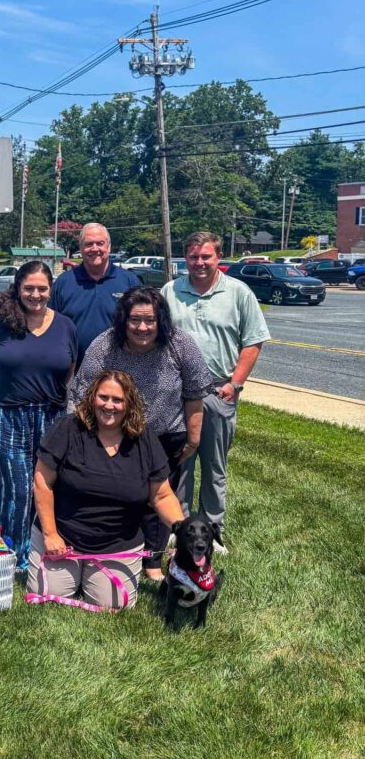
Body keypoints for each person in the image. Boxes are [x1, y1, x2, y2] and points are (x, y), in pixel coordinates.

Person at [67, 286, 212, 580]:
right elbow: (81, 393)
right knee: (122, 496)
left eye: (150, 320)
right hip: (116, 435)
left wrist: (193, 439)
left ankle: (153, 563)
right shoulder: (105, 345)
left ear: (161, 321)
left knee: (158, 498)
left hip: (165, 434)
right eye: (135, 320)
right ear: (123, 320)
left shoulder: (179, 344)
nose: (142, 328)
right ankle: (116, 551)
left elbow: (195, 393)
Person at [28, 370, 184, 608]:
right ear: (92, 398)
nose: (109, 405)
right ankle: (72, 570)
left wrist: (182, 533)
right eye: (103, 397)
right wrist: (50, 534)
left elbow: (162, 495)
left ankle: (91, 574)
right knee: (50, 597)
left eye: (118, 400)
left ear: (129, 404)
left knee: (113, 604)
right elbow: (42, 481)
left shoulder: (144, 440)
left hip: (117, 544)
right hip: (62, 537)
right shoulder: (68, 428)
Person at [162, 231, 270, 547]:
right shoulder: (171, 291)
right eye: (194, 257)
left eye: (206, 256)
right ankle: (177, 525)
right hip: (178, 392)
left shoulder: (239, 293)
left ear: (218, 258)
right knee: (180, 461)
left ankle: (212, 528)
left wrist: (235, 384)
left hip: (217, 390)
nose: (199, 262)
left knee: (214, 465)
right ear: (186, 258)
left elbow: (253, 340)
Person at [0, 261, 77, 567]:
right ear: (18, 288)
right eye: (29, 288)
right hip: (7, 416)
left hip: (51, 417)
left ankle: (41, 547)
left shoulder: (65, 326)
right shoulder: (0, 323)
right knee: (15, 488)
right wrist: (12, 395)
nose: (35, 294)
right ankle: (9, 555)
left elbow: (69, 371)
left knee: (47, 484)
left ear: (51, 290)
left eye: (42, 288)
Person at [48, 222, 140, 368]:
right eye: (89, 244)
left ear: (109, 247)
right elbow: (49, 327)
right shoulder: (63, 283)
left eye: (100, 243)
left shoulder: (129, 282)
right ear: (81, 248)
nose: (95, 248)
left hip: (119, 372)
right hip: (73, 371)